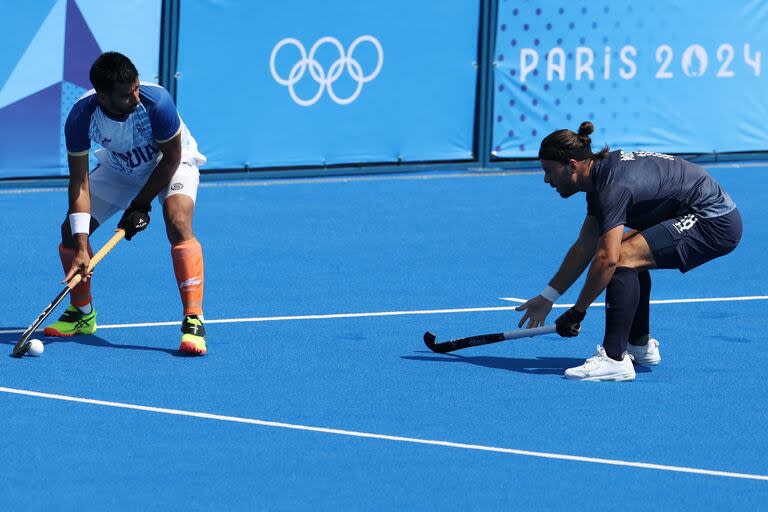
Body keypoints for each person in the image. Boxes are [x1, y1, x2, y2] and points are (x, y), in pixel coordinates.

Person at [515, 121, 742, 381]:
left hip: (713, 219)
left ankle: (614, 359)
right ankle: (638, 344)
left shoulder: (611, 187)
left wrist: (577, 312)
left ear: (573, 165)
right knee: (628, 253)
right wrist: (548, 297)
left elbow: (607, 259)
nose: (546, 180)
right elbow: (584, 246)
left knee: (622, 257)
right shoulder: (599, 177)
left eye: (549, 171)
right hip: (695, 210)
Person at [43, 51, 209, 355]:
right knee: (70, 233)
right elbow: (79, 182)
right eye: (126, 94)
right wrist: (81, 247)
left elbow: (171, 156)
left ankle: (193, 320)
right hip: (120, 168)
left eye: (135, 88)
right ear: (103, 97)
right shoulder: (81, 116)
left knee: (178, 221)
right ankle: (82, 314)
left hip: (170, 163)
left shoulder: (156, 102)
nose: (135, 97)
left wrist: (140, 205)